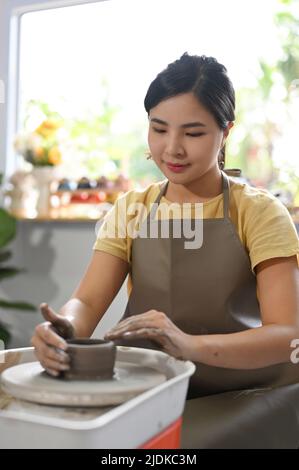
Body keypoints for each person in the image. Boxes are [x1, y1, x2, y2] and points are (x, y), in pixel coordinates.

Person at [31, 53, 299, 448]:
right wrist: (63, 328)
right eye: (159, 129)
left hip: (242, 394)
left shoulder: (258, 212)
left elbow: (287, 335)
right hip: (151, 386)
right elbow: (86, 302)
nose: (171, 148)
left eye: (193, 133)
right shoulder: (132, 208)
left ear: (226, 132)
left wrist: (190, 345)